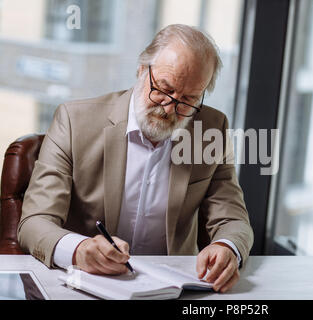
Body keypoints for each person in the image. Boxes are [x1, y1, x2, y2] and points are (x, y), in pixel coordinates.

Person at [17, 24, 253, 294]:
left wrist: (227, 247)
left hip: (174, 287)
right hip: (84, 287)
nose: (169, 109)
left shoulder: (211, 127)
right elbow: (34, 223)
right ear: (142, 70)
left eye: (188, 99)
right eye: (163, 89)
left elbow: (233, 219)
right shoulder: (74, 121)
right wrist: (79, 250)